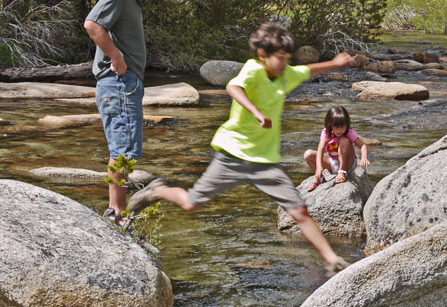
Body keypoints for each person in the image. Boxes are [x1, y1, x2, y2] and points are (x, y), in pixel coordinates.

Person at [129, 22, 353, 275]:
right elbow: (232, 87)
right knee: (192, 203)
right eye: (280, 58)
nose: (284, 63)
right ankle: (158, 191)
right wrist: (256, 111)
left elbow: (307, 70)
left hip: (264, 163)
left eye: (287, 58)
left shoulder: (285, 74)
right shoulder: (253, 70)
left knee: (300, 210)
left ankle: (332, 260)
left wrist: (335, 63)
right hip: (232, 156)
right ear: (262, 55)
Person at [83, 0, 164, 227]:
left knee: (126, 149)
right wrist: (116, 57)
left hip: (126, 83)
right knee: (122, 150)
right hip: (118, 81)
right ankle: (117, 214)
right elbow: (92, 24)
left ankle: (117, 211)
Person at [304, 105, 370, 191]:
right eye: (336, 127)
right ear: (330, 125)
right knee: (308, 154)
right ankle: (320, 178)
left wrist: (364, 158)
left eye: (343, 127)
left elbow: (363, 145)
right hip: (332, 163)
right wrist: (319, 167)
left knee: (344, 140)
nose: (340, 130)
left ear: (347, 124)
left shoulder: (349, 132)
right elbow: (320, 149)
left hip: (348, 164)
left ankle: (342, 172)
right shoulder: (326, 132)